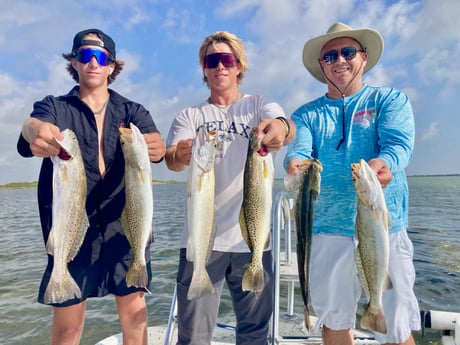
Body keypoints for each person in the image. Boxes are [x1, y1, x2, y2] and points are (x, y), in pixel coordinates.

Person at [17, 28, 166, 345]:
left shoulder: (132, 111)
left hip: (125, 224)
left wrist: (156, 146)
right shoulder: (55, 107)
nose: (93, 63)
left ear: (112, 65)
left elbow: (155, 144)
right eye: (85, 55)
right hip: (71, 224)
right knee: (68, 327)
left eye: (101, 57)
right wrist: (35, 130)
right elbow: (31, 126)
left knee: (135, 317)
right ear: (74, 62)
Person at [284, 22, 420, 345]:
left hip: (384, 227)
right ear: (321, 65)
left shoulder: (389, 99)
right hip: (329, 228)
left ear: (364, 56)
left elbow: (398, 144)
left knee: (396, 327)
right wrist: (294, 163)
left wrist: (383, 164)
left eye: (347, 52)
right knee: (334, 320)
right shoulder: (306, 115)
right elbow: (299, 148)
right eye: (330, 55)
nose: (339, 60)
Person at [164, 31, 295, 345]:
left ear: (239, 66)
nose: (220, 66)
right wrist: (180, 154)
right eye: (212, 61)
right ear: (204, 69)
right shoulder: (190, 115)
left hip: (254, 242)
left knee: (254, 334)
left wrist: (280, 129)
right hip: (200, 240)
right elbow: (171, 159)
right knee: (193, 335)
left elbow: (284, 127)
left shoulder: (258, 104)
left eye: (227, 59)